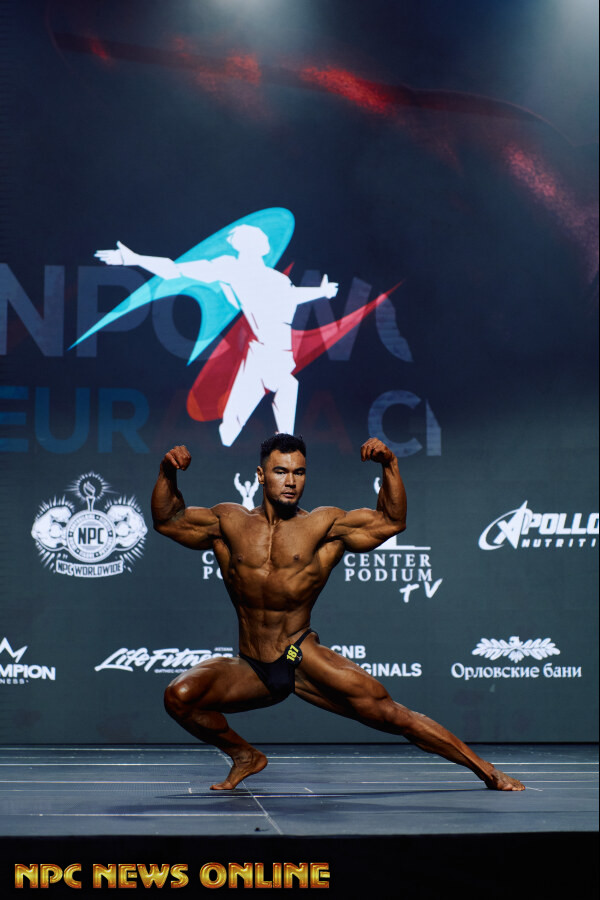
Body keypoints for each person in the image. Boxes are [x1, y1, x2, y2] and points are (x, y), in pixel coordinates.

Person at [151, 434, 525, 792]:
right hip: (251, 665)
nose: (291, 481)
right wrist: (168, 471)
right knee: (179, 696)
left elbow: (391, 521)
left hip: (298, 655)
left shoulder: (323, 525)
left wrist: (390, 465)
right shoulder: (229, 522)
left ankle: (487, 770)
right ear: (261, 475)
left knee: (391, 715)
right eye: (281, 471)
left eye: (299, 472)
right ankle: (244, 755)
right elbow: (168, 520)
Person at [95, 226, 338, 445]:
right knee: (234, 427)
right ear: (246, 244)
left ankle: (283, 447)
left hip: (279, 355)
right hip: (263, 354)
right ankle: (257, 443)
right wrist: (134, 259)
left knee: (283, 389)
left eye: (264, 240)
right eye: (259, 238)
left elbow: (291, 295)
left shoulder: (277, 279)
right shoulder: (231, 268)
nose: (265, 243)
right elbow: (174, 270)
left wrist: (322, 292)